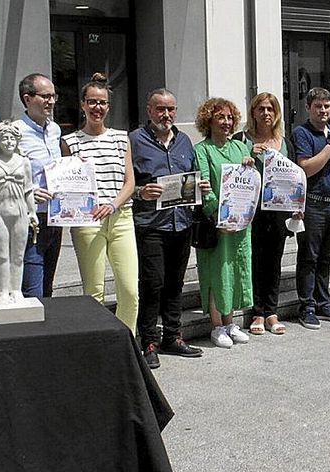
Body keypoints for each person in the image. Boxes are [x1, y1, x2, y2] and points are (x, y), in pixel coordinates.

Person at [130, 88, 206, 367]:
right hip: (150, 224)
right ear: (149, 111)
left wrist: (200, 187)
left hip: (181, 223)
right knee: (152, 284)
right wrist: (140, 192)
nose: (166, 115)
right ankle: (148, 341)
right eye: (160, 109)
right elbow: (126, 184)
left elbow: (193, 176)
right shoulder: (135, 141)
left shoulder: (184, 141)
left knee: (175, 283)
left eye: (171, 109)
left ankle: (173, 337)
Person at [61, 73, 138, 332]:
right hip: (88, 222)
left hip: (121, 218)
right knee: (94, 291)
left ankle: (127, 341)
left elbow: (130, 182)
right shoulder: (69, 142)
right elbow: (67, 187)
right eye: (92, 102)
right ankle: (98, 345)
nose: (98, 108)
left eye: (102, 102)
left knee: (129, 289)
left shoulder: (120, 137)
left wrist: (114, 204)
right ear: (82, 104)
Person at [193, 98, 254, 349]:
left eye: (230, 118)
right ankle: (216, 326)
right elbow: (204, 186)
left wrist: (250, 165)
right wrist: (217, 215)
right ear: (209, 120)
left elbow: (249, 183)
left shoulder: (240, 148)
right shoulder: (202, 149)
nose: (227, 123)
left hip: (240, 223)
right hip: (216, 223)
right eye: (221, 117)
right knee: (216, 272)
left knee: (235, 271)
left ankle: (231, 323)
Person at [234, 92, 295, 336]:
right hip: (253, 209)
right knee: (256, 260)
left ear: (276, 113)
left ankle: (272, 311)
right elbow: (234, 174)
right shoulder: (242, 140)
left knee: (274, 261)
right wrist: (247, 159)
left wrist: (297, 207)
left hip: (279, 209)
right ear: (253, 113)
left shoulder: (284, 141)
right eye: (261, 109)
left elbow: (294, 176)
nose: (266, 113)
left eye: (270, 109)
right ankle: (257, 312)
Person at [292, 87, 330, 330]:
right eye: (318, 106)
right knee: (309, 258)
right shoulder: (302, 133)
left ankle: (324, 303)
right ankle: (306, 307)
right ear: (308, 108)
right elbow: (307, 168)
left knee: (326, 258)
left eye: (326, 106)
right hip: (313, 204)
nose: (323, 110)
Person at [13, 73, 63, 298]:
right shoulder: (13, 133)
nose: (51, 101)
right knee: (33, 289)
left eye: (53, 96)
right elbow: (3, 176)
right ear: (27, 99)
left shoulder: (55, 130)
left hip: (55, 218)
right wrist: (29, 191)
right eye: (45, 96)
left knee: (48, 286)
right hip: (29, 219)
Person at [0, 121, 38, 304]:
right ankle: (2, 292)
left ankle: (16, 290)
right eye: (4, 138)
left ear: (17, 140)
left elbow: (28, 189)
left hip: (20, 211)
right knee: (2, 255)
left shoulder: (24, 162)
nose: (8, 141)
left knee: (18, 255)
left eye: (11, 138)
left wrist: (32, 212)